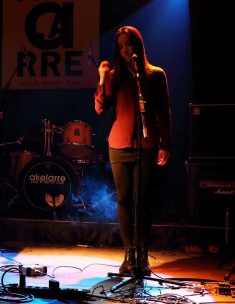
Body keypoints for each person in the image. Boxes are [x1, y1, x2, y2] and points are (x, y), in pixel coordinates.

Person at [94, 26, 172, 276]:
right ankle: (129, 254)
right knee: (124, 198)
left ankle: (142, 255)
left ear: (138, 45)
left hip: (147, 144)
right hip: (118, 143)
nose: (126, 49)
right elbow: (100, 108)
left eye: (129, 44)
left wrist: (166, 145)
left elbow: (163, 112)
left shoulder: (155, 75)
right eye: (121, 46)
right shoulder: (115, 76)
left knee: (142, 199)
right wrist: (101, 78)